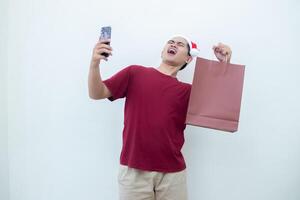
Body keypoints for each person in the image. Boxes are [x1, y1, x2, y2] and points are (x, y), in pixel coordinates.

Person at [88, 35, 232, 200]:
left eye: (180, 44)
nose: (173, 44)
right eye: (170, 42)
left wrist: (224, 65)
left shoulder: (188, 92)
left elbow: (222, 106)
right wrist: (94, 63)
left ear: (188, 58)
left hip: (173, 176)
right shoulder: (135, 73)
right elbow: (96, 93)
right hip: (133, 172)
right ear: (163, 50)